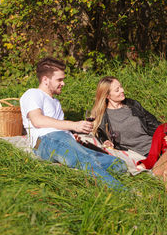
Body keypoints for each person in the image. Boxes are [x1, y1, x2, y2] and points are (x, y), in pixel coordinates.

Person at [19, 57, 127, 189]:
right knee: (85, 160)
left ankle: (79, 168)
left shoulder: (56, 103)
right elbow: (37, 120)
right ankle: (125, 193)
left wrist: (71, 135)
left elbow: (59, 127)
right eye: (59, 80)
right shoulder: (33, 94)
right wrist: (73, 125)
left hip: (61, 139)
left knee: (118, 164)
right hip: (44, 141)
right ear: (45, 80)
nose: (63, 83)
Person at [90, 76, 160, 157]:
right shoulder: (102, 117)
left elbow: (153, 123)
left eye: (121, 87)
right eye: (117, 90)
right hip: (136, 155)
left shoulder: (132, 104)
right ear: (107, 96)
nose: (122, 90)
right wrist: (105, 141)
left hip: (155, 145)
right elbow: (99, 134)